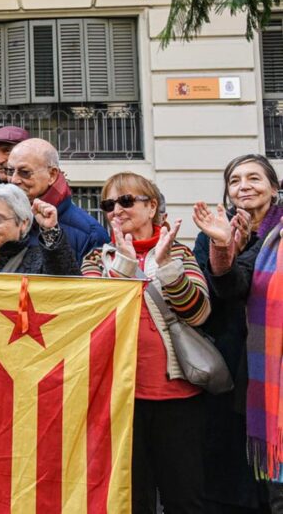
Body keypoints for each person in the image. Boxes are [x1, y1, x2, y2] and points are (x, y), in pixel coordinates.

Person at [82, 172, 210, 514]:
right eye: (109, 204)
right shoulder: (97, 259)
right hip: (121, 398)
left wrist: (167, 266)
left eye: (126, 201)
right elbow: (97, 317)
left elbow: (197, 313)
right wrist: (123, 265)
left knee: (184, 497)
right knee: (132, 500)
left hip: (177, 397)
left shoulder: (179, 250)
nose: (116, 211)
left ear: (152, 206)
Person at [197, 155, 283, 510]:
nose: (244, 185)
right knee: (266, 485)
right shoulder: (224, 231)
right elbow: (232, 285)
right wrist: (221, 246)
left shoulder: (275, 234)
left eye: (253, 178)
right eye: (235, 180)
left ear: (274, 188)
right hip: (252, 374)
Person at [6, 138, 109, 260]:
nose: (13, 180)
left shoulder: (91, 234)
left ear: (52, 175)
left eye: (24, 172)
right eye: (10, 171)